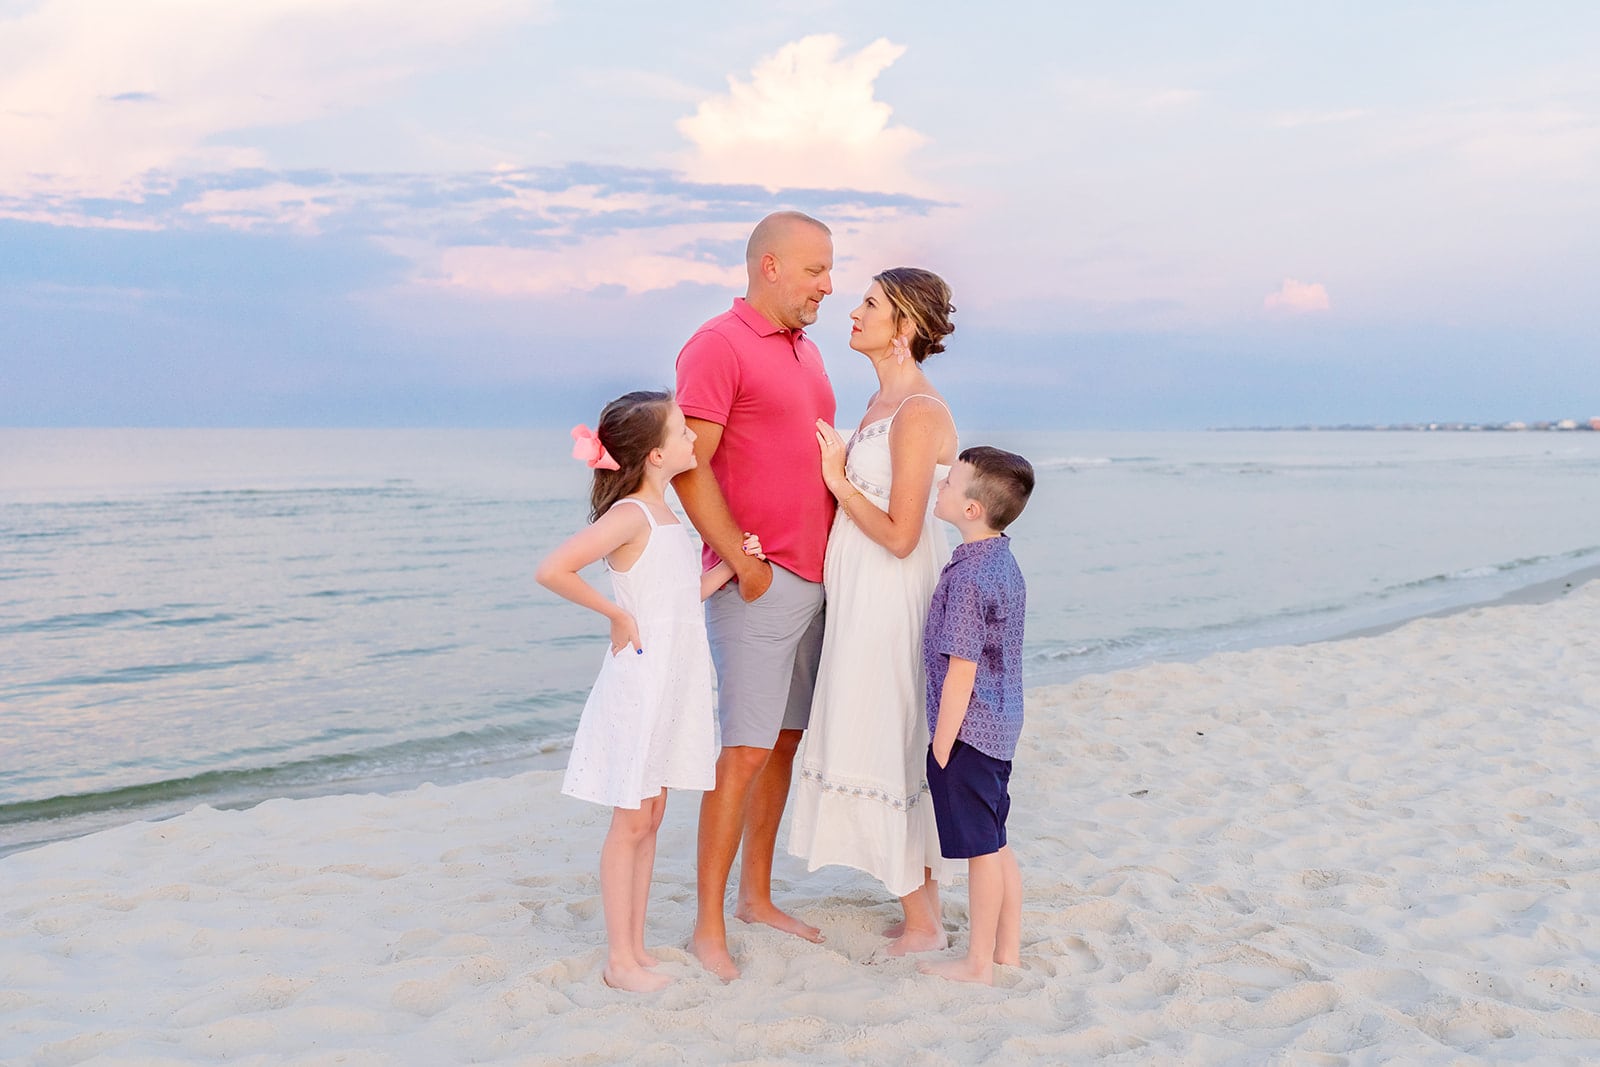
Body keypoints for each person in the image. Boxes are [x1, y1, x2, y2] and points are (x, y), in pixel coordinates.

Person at [535, 390, 762, 993]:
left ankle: (635, 949)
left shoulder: (665, 517)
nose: (694, 440)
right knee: (631, 819)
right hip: (640, 678)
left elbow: (678, 597)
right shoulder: (630, 515)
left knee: (652, 814)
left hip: (675, 679)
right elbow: (553, 569)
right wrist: (615, 614)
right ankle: (619, 959)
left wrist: (734, 563)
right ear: (657, 455)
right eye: (684, 432)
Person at [673, 211, 838, 981]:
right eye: (815, 271)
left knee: (782, 743)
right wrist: (741, 559)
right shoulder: (717, 344)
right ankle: (707, 926)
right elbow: (687, 464)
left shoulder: (808, 353)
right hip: (760, 584)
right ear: (770, 265)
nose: (827, 286)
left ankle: (756, 898)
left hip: (816, 578)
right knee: (741, 749)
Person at [786, 268, 963, 956]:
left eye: (870, 304)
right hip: (861, 593)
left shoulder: (918, 411)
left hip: (893, 597)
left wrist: (835, 480)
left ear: (906, 326)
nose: (853, 312)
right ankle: (919, 909)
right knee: (880, 728)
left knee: (890, 732)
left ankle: (924, 922)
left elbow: (900, 533)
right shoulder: (879, 401)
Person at [916, 446, 1035, 985]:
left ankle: (978, 964)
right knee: (997, 839)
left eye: (950, 482)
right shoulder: (1001, 560)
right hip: (1002, 724)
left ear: (971, 510)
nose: (940, 484)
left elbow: (961, 669)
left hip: (969, 733)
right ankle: (1006, 951)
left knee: (982, 852)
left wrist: (942, 746)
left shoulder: (967, 580)